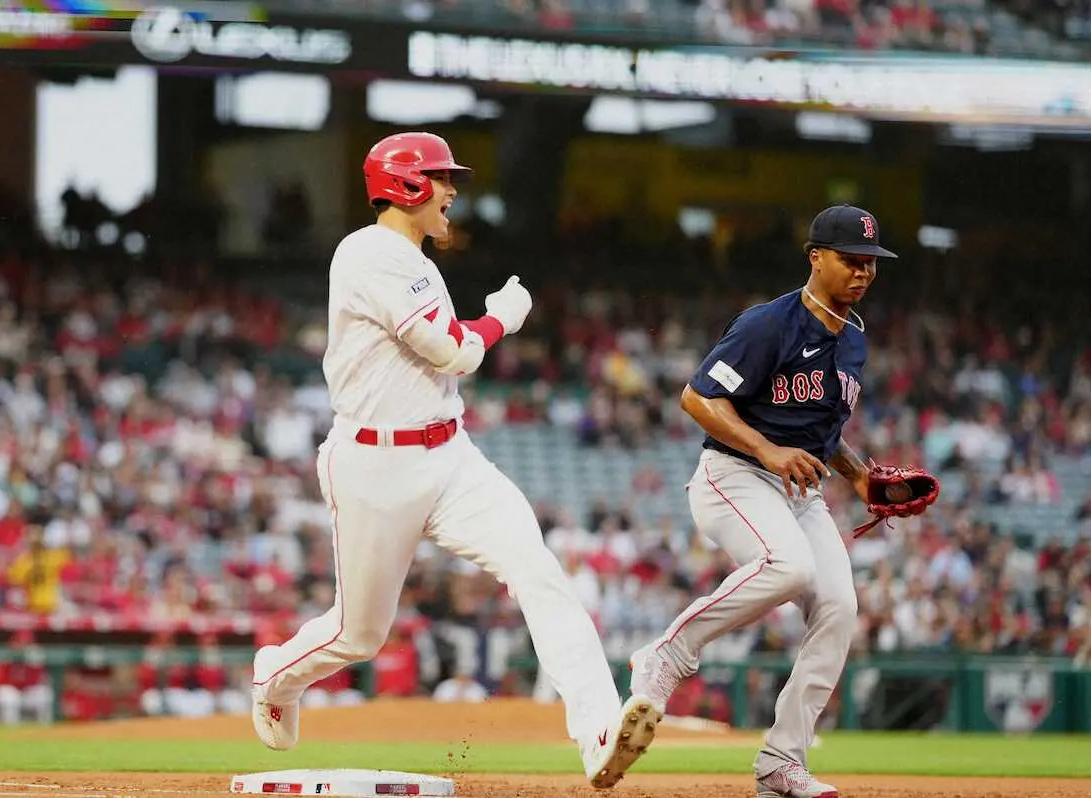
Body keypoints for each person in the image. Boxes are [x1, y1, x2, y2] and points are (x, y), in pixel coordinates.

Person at [250, 132, 658, 789]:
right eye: (439, 178)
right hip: (375, 464)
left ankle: (599, 729)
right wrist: (502, 319)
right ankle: (277, 674)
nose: (451, 192)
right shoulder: (369, 253)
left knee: (538, 569)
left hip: (450, 455)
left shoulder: (414, 259)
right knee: (360, 636)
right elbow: (454, 352)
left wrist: (488, 324)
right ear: (405, 184)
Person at [629, 206, 920, 798]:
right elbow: (698, 398)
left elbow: (821, 431)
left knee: (839, 607)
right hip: (731, 475)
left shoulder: (854, 340)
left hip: (797, 489)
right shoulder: (770, 324)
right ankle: (669, 653)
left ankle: (780, 763)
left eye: (870, 263)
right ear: (816, 258)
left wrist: (861, 479)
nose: (863, 272)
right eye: (850, 260)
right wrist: (767, 449)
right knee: (790, 567)